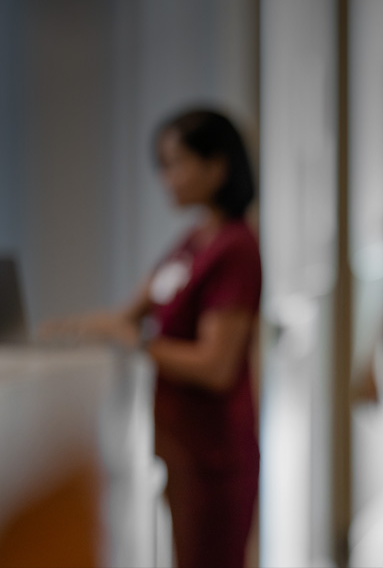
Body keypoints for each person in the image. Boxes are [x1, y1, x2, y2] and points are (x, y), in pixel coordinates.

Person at [45, 108, 261, 568]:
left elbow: (216, 366)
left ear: (216, 166)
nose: (166, 179)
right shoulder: (191, 242)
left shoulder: (236, 249)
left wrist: (138, 342)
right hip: (180, 444)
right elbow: (125, 316)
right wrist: (66, 330)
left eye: (176, 163)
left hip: (215, 452)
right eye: (162, 165)